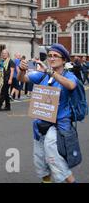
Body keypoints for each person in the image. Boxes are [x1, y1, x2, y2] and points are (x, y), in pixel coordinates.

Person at [18, 44, 79, 183]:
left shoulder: (69, 75)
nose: (51, 58)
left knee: (54, 160)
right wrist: (21, 70)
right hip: (40, 126)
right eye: (50, 55)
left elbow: (71, 85)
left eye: (55, 56)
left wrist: (51, 72)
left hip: (58, 126)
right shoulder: (42, 75)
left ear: (64, 60)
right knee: (41, 163)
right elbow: (23, 79)